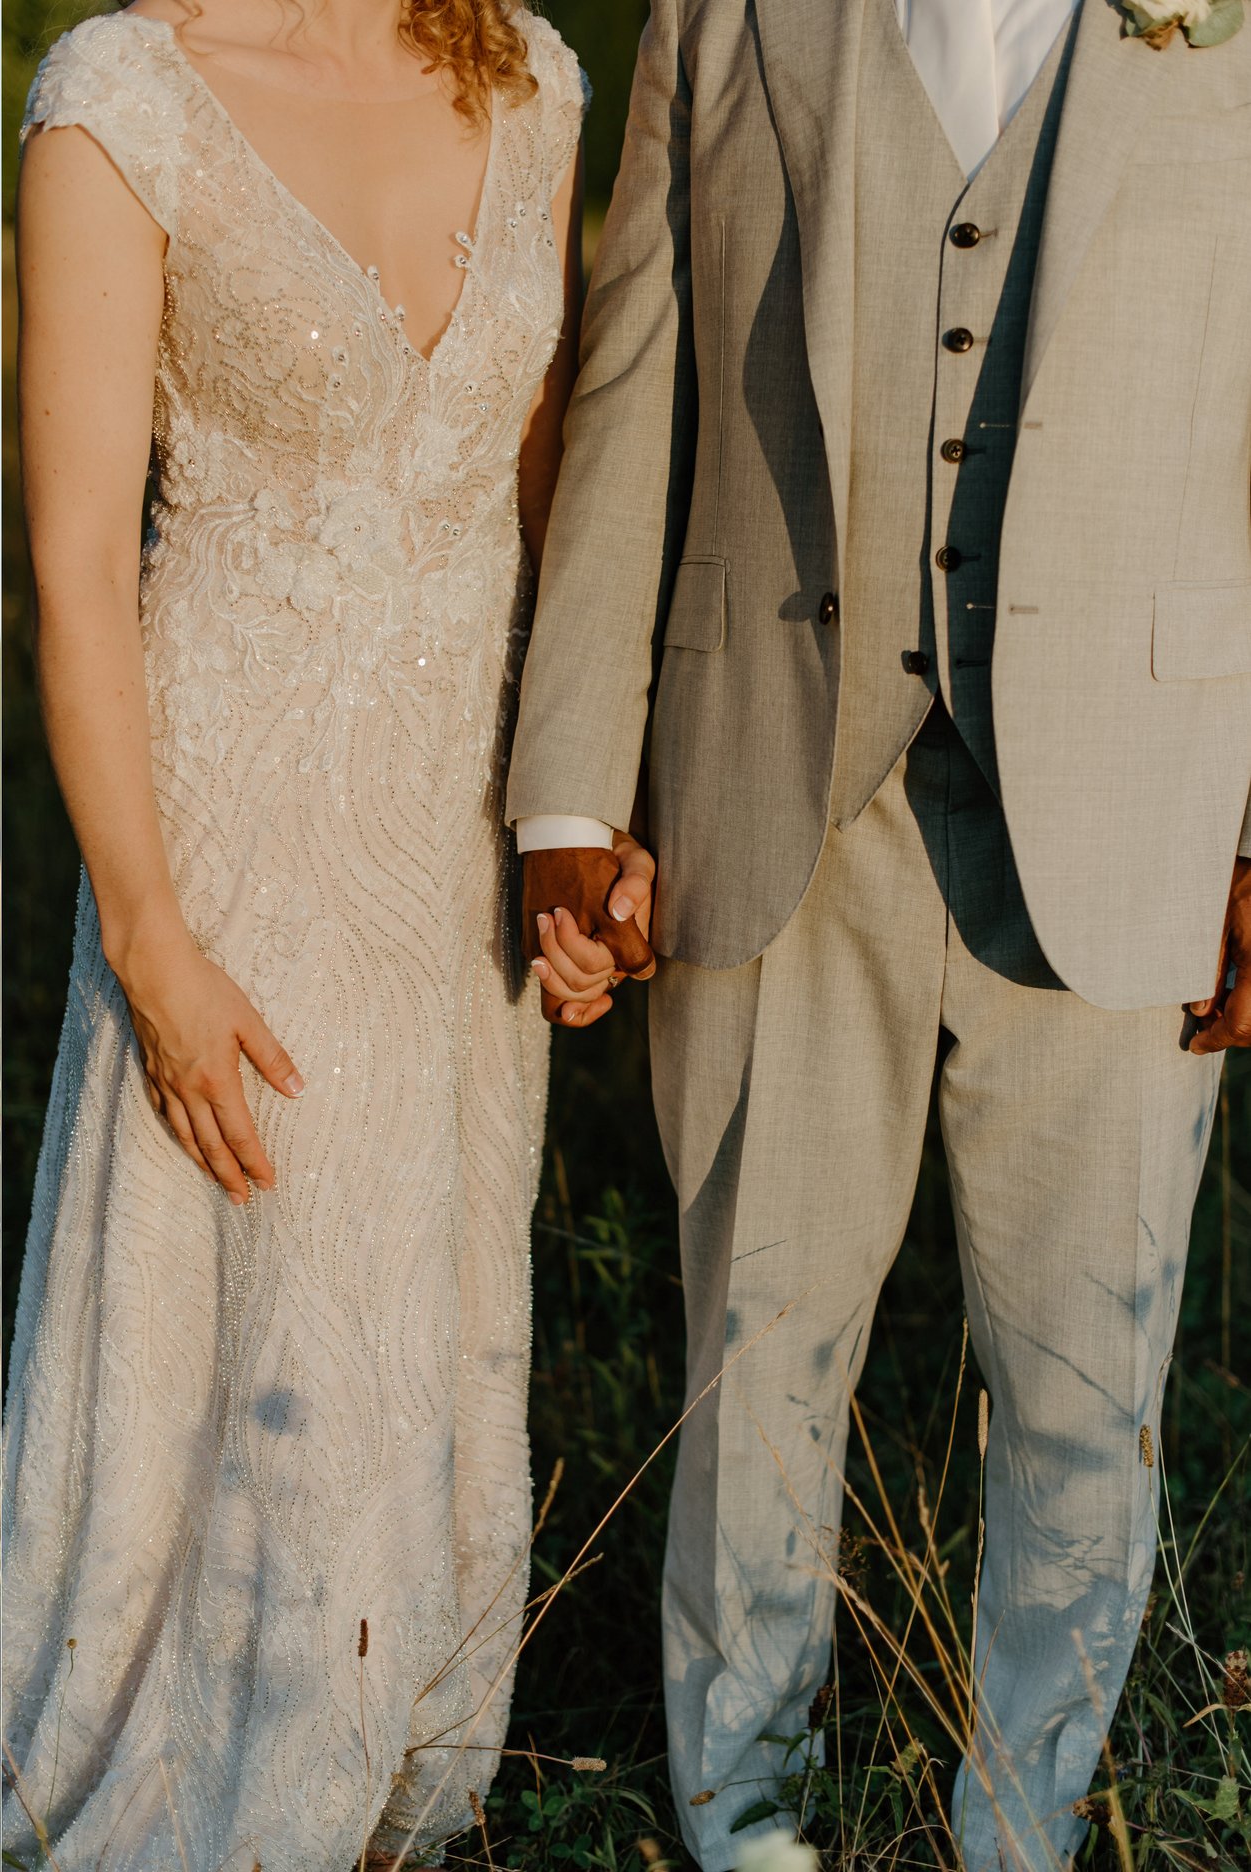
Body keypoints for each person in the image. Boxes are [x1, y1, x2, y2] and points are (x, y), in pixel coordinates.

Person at [507, 2, 1251, 1865]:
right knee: (754, 1356)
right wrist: (569, 797)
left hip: (1133, 792)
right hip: (772, 784)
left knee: (1088, 1384)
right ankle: (742, 1811)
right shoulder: (719, 11)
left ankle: (1028, 1816)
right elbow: (633, 384)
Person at [0, 3, 619, 1865]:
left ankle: (383, 1757)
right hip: (233, 828)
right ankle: (236, 1772)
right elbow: (80, 566)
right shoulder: (124, 94)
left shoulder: (530, 69)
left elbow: (543, 480)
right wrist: (150, 932)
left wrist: (568, 824)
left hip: (448, 829)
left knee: (416, 1285)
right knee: (261, 1296)